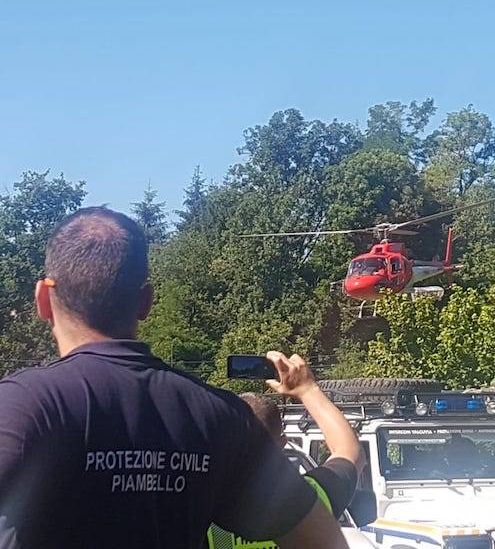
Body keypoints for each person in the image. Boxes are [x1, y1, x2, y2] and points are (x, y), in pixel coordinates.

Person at [0, 207, 347, 549]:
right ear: (146, 302)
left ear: (42, 299)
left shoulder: (22, 406)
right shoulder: (224, 417)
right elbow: (325, 542)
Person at [208, 352, 366, 548]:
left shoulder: (200, 507)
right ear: (282, 443)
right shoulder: (309, 499)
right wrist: (307, 389)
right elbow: (350, 450)